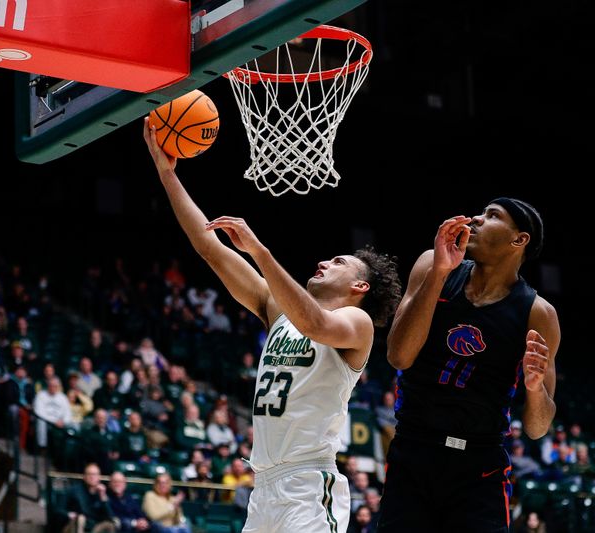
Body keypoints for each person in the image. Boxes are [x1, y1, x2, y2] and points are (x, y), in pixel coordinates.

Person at [143, 118, 402, 533]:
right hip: (263, 486)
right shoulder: (278, 309)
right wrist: (167, 173)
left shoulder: (357, 323)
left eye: (337, 262)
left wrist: (260, 251)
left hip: (307, 485)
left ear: (359, 286)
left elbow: (315, 322)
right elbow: (209, 248)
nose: (322, 262)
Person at [377, 202, 560, 532]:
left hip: (480, 466)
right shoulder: (431, 266)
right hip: (414, 449)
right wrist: (439, 273)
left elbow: (538, 427)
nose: (476, 218)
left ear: (519, 240)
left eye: (492, 216)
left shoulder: (538, 313)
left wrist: (534, 389)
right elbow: (399, 356)